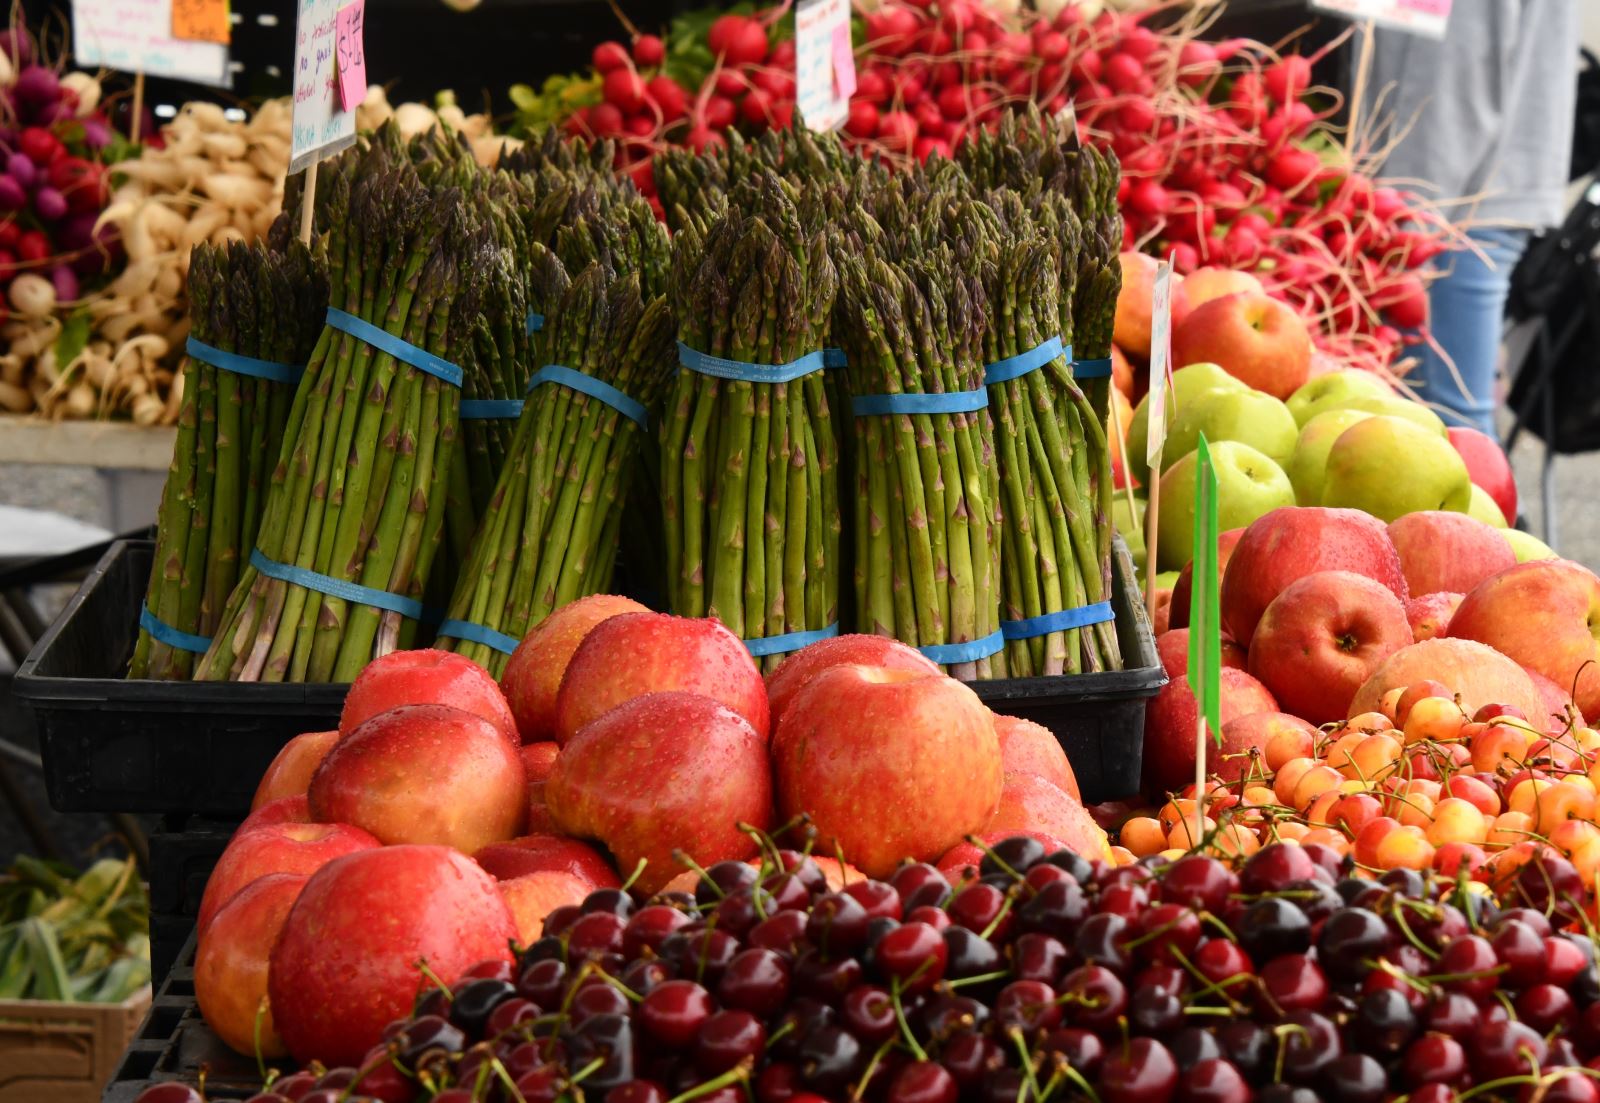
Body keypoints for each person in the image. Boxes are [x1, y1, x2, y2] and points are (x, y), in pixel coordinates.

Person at [1364, 0, 1579, 436]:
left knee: (1449, 421)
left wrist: (1410, 217)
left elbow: (1457, 69)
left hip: (1452, 200)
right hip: (1461, 189)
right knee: (1443, 417)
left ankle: (1487, 505)